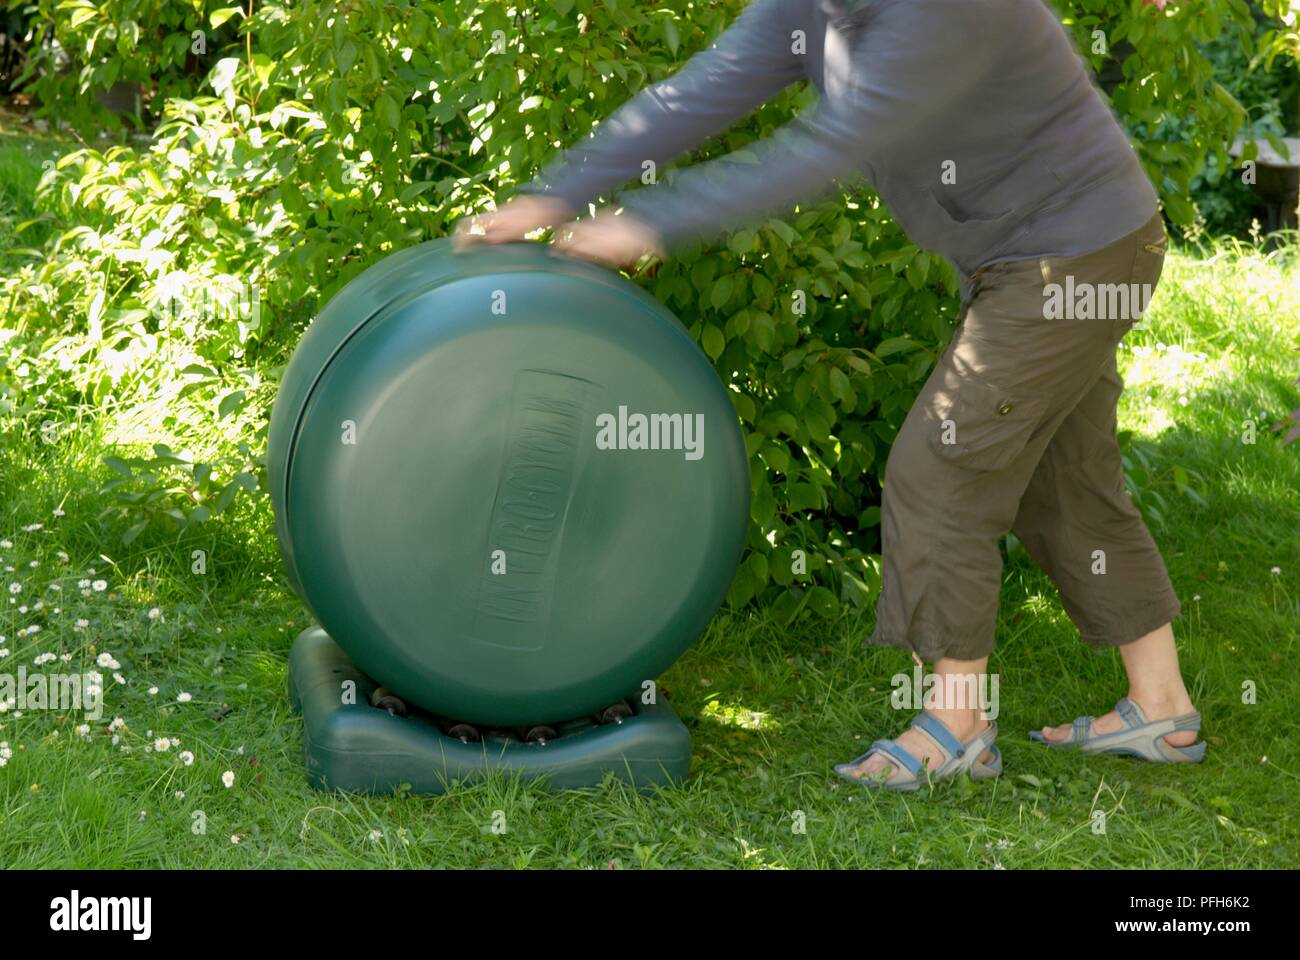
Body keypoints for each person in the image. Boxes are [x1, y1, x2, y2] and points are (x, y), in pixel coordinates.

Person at [454, 0, 1205, 789]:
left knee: (943, 467)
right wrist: (556, 194)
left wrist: (652, 221)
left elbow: (827, 147)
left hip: (1072, 257)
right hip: (1055, 252)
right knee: (1065, 483)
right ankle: (1161, 706)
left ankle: (959, 723)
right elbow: (697, 93)